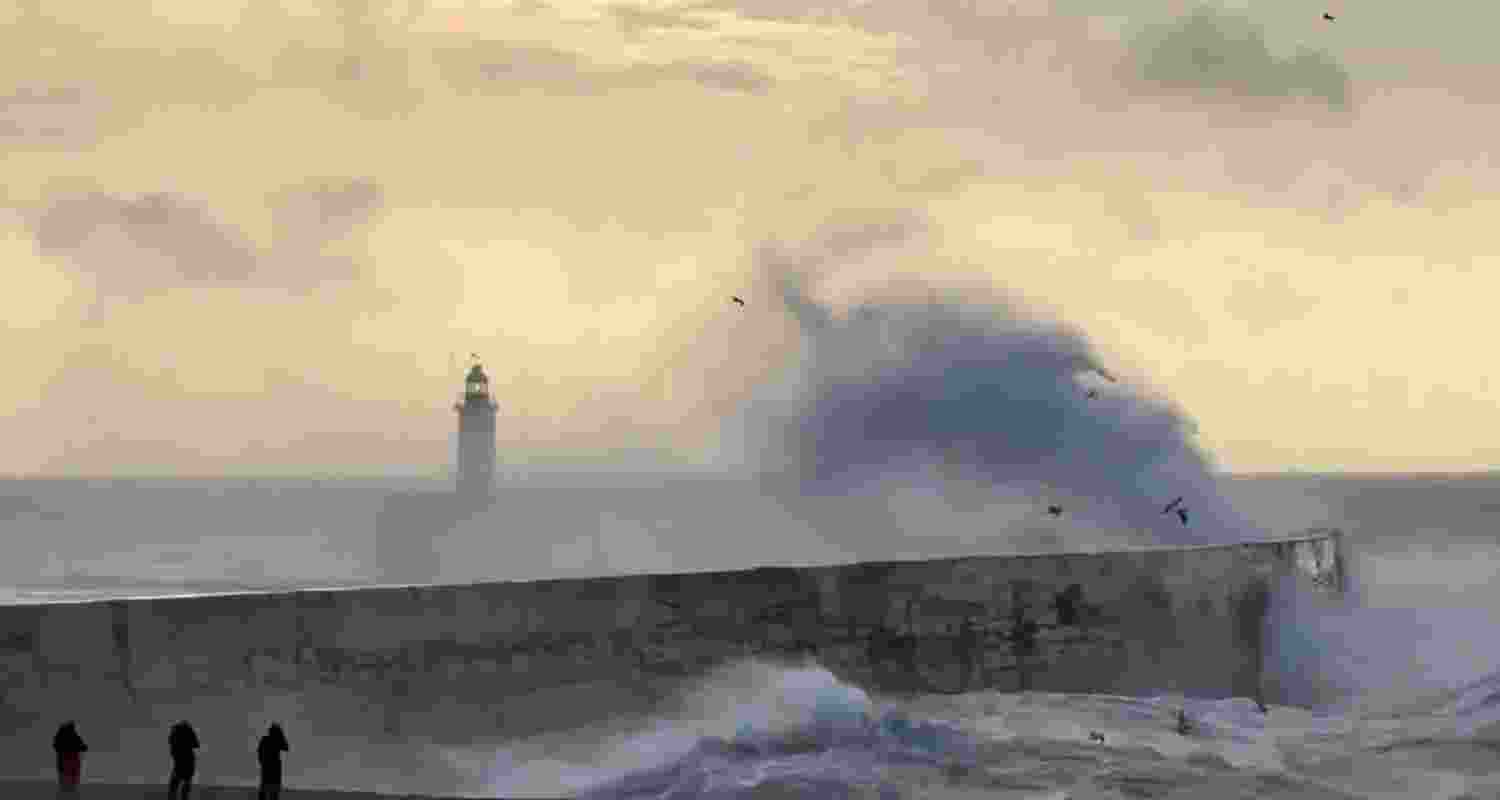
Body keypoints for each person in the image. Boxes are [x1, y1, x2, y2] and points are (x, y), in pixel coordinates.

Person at [167, 720, 201, 800]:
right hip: (188, 761)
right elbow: (196, 744)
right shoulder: (187, 732)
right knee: (185, 783)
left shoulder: (175, 732)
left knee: (175, 785)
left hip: (180, 761)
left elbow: (171, 744)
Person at [52, 721, 87, 796]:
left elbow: (55, 746)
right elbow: (84, 747)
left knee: (64, 778)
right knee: (71, 778)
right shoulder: (74, 736)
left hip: (64, 759)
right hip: (72, 759)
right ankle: (70, 792)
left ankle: (65, 792)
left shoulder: (60, 736)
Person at [256, 723, 289, 800]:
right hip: (271, 766)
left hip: (270, 766)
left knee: (268, 788)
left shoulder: (267, 739)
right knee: (269, 789)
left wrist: (262, 762)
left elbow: (286, 747)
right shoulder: (274, 740)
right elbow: (286, 747)